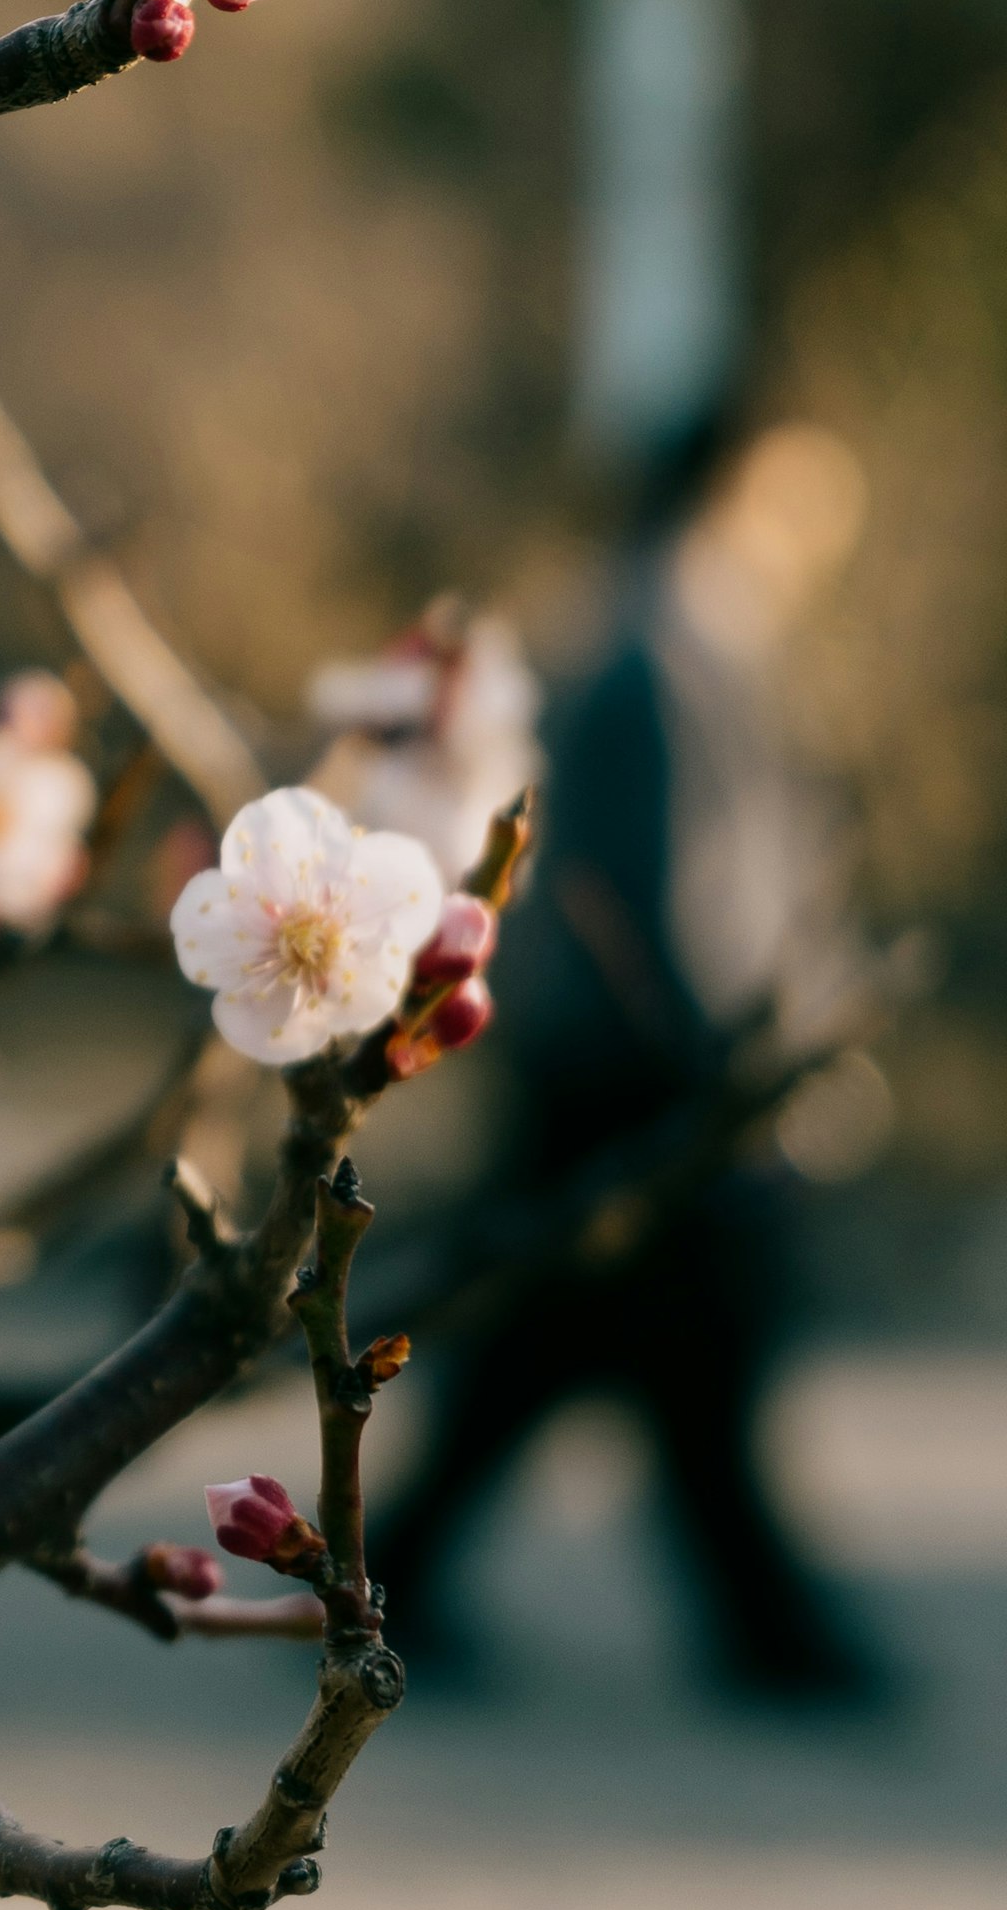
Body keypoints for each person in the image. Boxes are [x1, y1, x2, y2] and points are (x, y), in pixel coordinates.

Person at [372, 415, 884, 1705]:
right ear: (738, 488)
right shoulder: (661, 651)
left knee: (563, 1348)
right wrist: (745, 1061)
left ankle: (396, 1591)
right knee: (668, 1350)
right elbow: (676, 890)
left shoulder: (661, 635)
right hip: (651, 1073)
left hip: (620, 1066)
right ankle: (769, 1630)